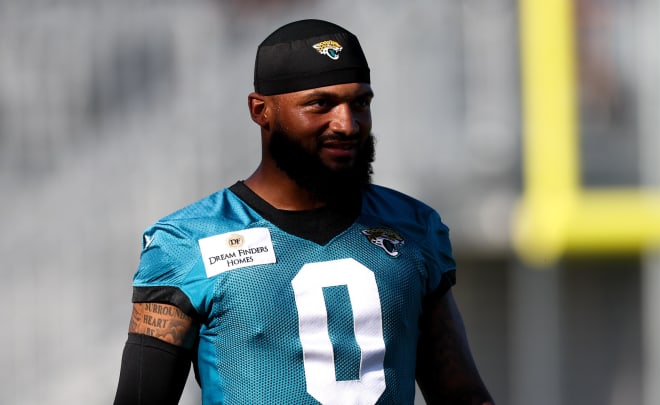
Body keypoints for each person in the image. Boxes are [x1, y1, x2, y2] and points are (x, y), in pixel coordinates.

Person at [114, 19, 494, 405]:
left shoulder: (412, 227)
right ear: (261, 110)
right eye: (320, 104)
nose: (347, 124)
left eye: (360, 103)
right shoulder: (187, 241)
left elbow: (462, 394)